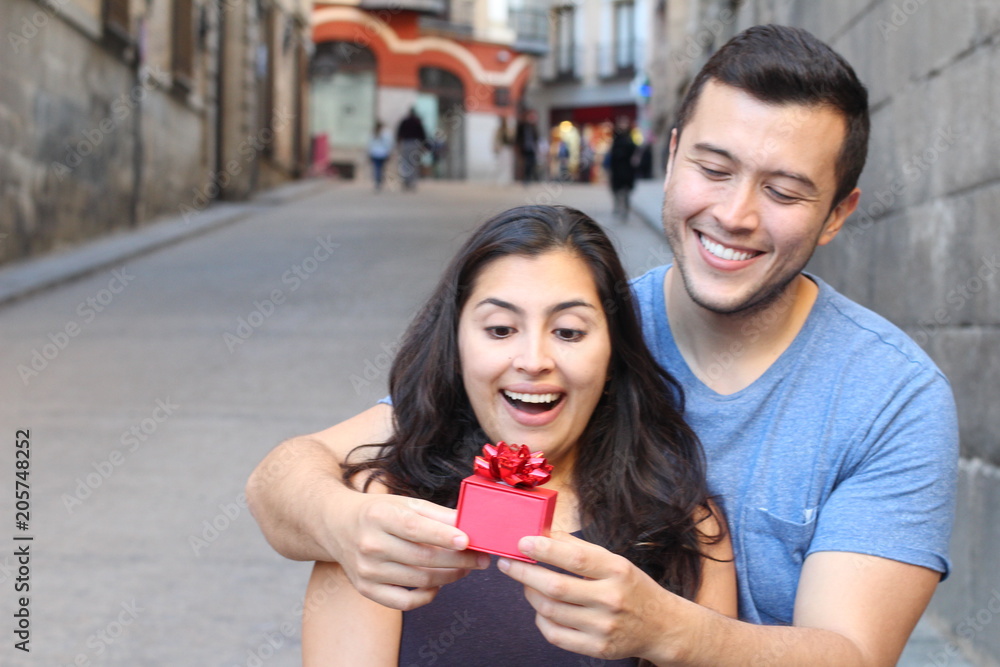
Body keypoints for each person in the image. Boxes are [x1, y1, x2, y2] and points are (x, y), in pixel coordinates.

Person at [248, 24, 958, 665]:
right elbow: (292, 475)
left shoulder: (892, 399)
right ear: (671, 153)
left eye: (783, 190)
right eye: (713, 169)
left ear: (838, 214)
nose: (735, 214)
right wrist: (346, 524)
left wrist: (670, 629)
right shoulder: (583, 317)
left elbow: (853, 655)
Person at [299, 206, 736, 664]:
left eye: (568, 332)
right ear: (456, 345)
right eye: (501, 329)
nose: (533, 360)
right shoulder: (373, 522)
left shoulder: (685, 528)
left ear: (613, 355)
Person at [607, 115, 638, 221]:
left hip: (627, 169)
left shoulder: (630, 136)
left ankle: (625, 209)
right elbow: (612, 153)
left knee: (625, 191)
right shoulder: (616, 137)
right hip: (616, 169)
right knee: (616, 190)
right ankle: (617, 207)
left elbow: (634, 150)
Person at [396, 107, 427, 191]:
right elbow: (423, 134)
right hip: (415, 144)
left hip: (406, 143)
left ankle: (406, 181)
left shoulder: (405, 121)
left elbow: (399, 134)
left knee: (405, 163)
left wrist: (398, 143)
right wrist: (424, 146)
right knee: (414, 164)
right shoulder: (417, 122)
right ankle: (412, 182)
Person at [515, 108, 540, 185]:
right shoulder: (521, 126)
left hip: (531, 148)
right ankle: (525, 179)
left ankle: (531, 177)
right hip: (524, 147)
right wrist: (517, 147)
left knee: (532, 162)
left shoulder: (533, 126)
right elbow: (517, 137)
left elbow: (536, 137)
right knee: (525, 163)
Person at [367, 121, 392, 192]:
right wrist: (389, 152)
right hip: (383, 153)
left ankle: (377, 180)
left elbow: (369, 144)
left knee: (376, 168)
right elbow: (389, 144)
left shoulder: (373, 133)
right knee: (382, 168)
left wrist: (369, 153)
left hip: (375, 153)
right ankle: (379, 180)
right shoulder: (386, 133)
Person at [493, 115, 514, 186]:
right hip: (502, 149)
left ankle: (508, 180)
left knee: (508, 164)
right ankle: (500, 180)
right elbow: (496, 140)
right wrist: (496, 148)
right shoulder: (499, 130)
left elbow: (511, 139)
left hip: (508, 148)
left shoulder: (509, 129)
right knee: (501, 164)